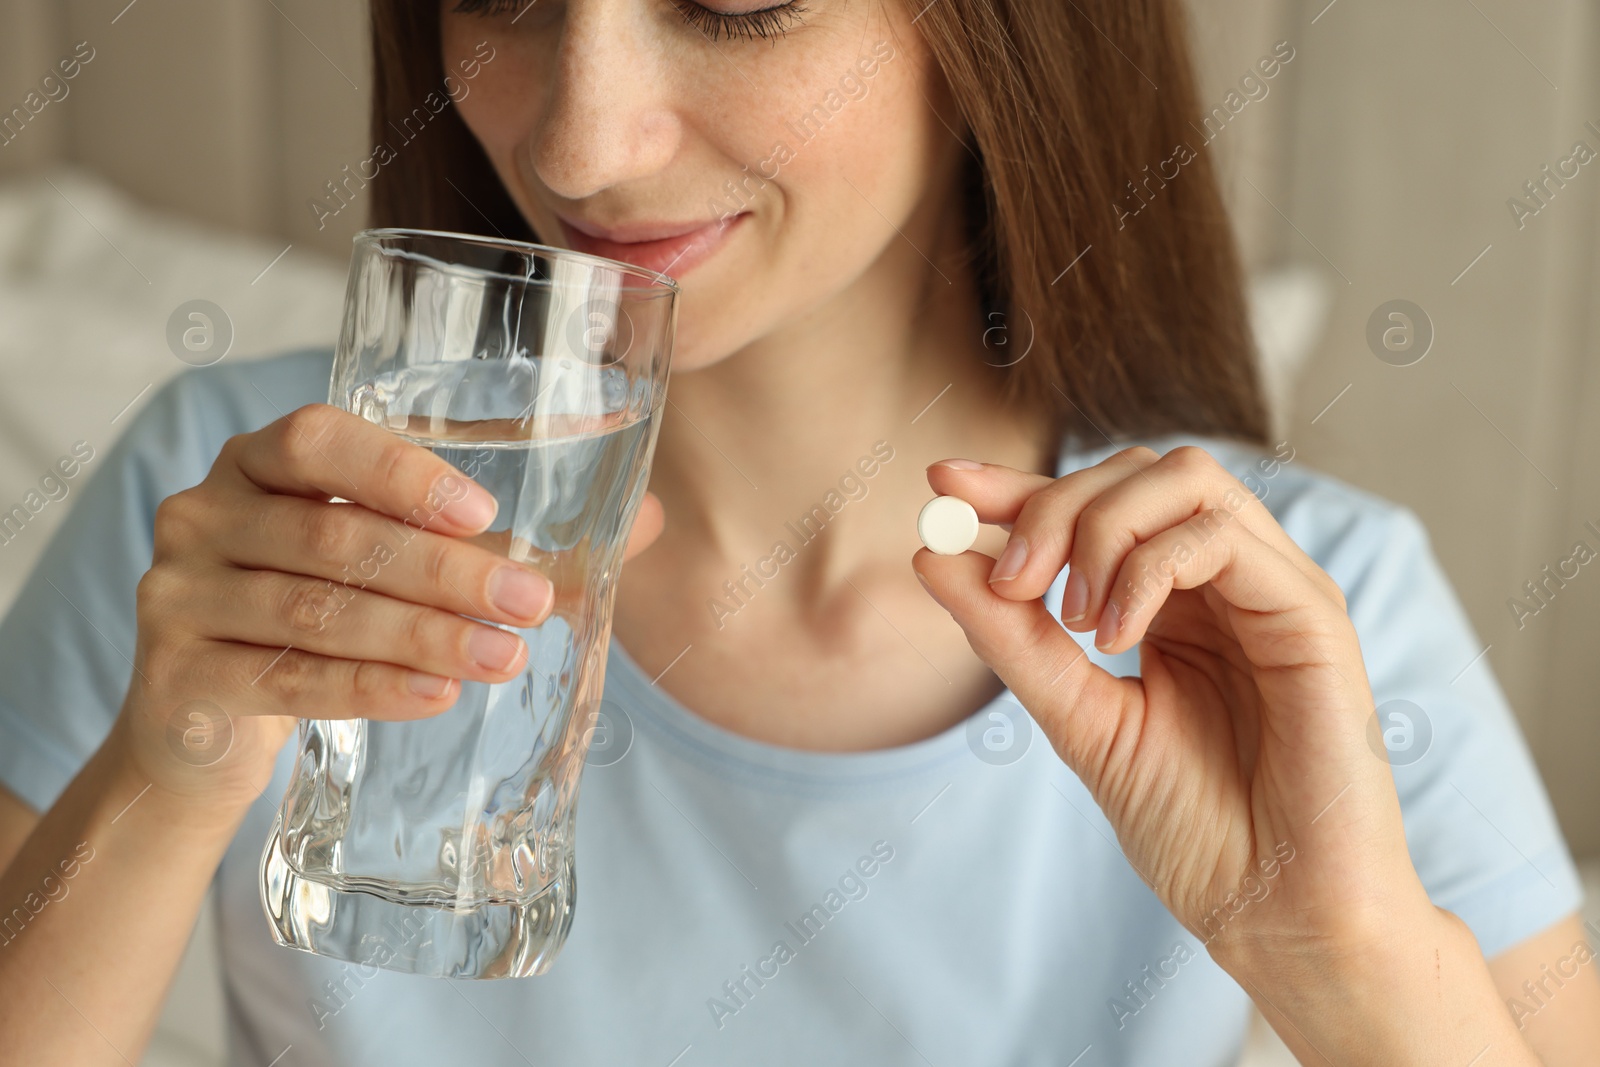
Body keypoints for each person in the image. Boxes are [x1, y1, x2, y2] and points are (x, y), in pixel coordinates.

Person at [1, 0, 1596, 1063]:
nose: (578, 142)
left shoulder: (1297, 610)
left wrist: (1336, 963)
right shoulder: (253, 509)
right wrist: (168, 773)